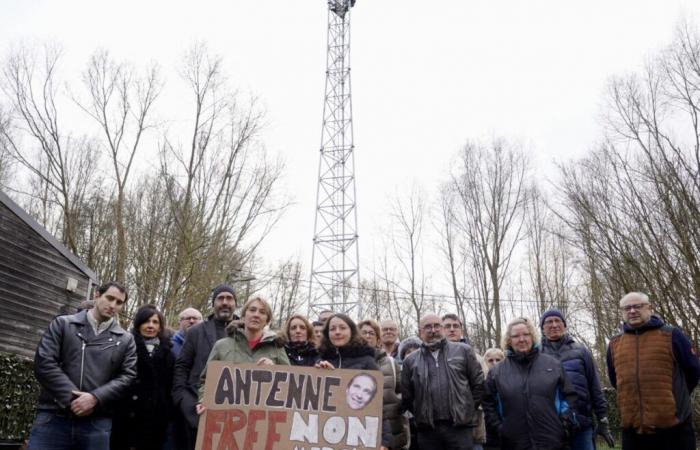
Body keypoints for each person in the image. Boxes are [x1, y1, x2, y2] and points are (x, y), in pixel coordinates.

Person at [27, 281, 137, 450]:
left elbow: (128, 376)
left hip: (96, 423)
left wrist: (94, 398)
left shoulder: (126, 339)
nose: (113, 305)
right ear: (97, 295)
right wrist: (73, 399)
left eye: (119, 302)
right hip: (53, 418)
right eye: (109, 298)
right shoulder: (63, 324)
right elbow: (44, 362)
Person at [607, 292, 700, 450]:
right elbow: (616, 380)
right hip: (633, 431)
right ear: (622, 312)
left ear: (649, 308)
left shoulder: (671, 335)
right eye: (627, 308)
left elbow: (693, 371)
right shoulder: (615, 343)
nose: (632, 311)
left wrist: (674, 400)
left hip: (674, 428)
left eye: (638, 306)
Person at [482, 317, 577, 450]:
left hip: (552, 441)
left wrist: (563, 425)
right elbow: (488, 404)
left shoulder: (553, 364)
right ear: (509, 340)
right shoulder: (496, 372)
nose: (522, 339)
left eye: (526, 334)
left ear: (532, 336)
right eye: (516, 336)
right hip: (513, 443)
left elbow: (569, 396)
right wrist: (501, 429)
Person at [401, 313, 484, 450]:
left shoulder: (464, 351)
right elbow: (407, 396)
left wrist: (466, 408)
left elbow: (478, 384)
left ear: (442, 328)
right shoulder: (410, 361)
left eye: (437, 326)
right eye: (428, 327)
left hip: (459, 429)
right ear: (420, 331)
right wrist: (422, 413)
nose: (433, 330)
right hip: (428, 432)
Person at [172, 283, 238, 450]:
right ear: (213, 303)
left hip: (237, 418)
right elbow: (181, 368)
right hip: (199, 413)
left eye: (229, 298)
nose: (225, 302)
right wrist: (185, 402)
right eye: (220, 298)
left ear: (235, 304)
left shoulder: (246, 332)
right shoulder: (196, 332)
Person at [197, 296, 290, 410]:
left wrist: (275, 371)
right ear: (243, 316)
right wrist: (203, 401)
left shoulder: (277, 348)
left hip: (262, 418)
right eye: (252, 310)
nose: (256, 314)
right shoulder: (221, 346)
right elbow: (205, 381)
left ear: (267, 321)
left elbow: (290, 386)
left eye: (262, 312)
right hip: (227, 416)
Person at [539, 309, 614, 450]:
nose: (554, 325)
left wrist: (602, 418)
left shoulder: (581, 351)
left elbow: (595, 386)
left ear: (564, 325)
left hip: (582, 424)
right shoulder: (537, 355)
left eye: (558, 321)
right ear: (542, 328)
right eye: (549, 322)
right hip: (550, 428)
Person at [316, 313, 391, 450]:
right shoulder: (319, 361)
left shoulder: (367, 361)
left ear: (351, 331)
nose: (337, 332)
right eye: (332, 329)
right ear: (327, 334)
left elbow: (379, 405)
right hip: (325, 436)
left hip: (357, 436)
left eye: (342, 328)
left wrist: (384, 441)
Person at [111, 305, 175, 450]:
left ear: (160, 327)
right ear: (139, 324)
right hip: (126, 416)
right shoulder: (125, 347)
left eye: (155, 322)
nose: (150, 326)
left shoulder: (168, 354)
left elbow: (170, 386)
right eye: (146, 321)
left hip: (154, 419)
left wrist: (166, 411)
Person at [360, 319, 409, 449]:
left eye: (371, 333)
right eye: (363, 333)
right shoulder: (348, 364)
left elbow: (403, 394)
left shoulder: (391, 364)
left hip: (391, 432)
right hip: (358, 431)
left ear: (378, 339)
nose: (367, 336)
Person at [482, 348, 504, 450]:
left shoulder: (509, 379)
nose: (494, 363)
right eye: (490, 360)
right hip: (488, 430)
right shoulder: (480, 380)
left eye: (498, 360)